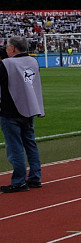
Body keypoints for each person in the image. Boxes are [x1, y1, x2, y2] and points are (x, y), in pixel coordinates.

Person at [0, 36, 45, 192]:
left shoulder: (7, 64)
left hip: (10, 110)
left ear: (13, 48)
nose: (6, 49)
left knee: (15, 147)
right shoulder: (33, 62)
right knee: (30, 144)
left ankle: (19, 181)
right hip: (29, 108)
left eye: (7, 46)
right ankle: (35, 177)